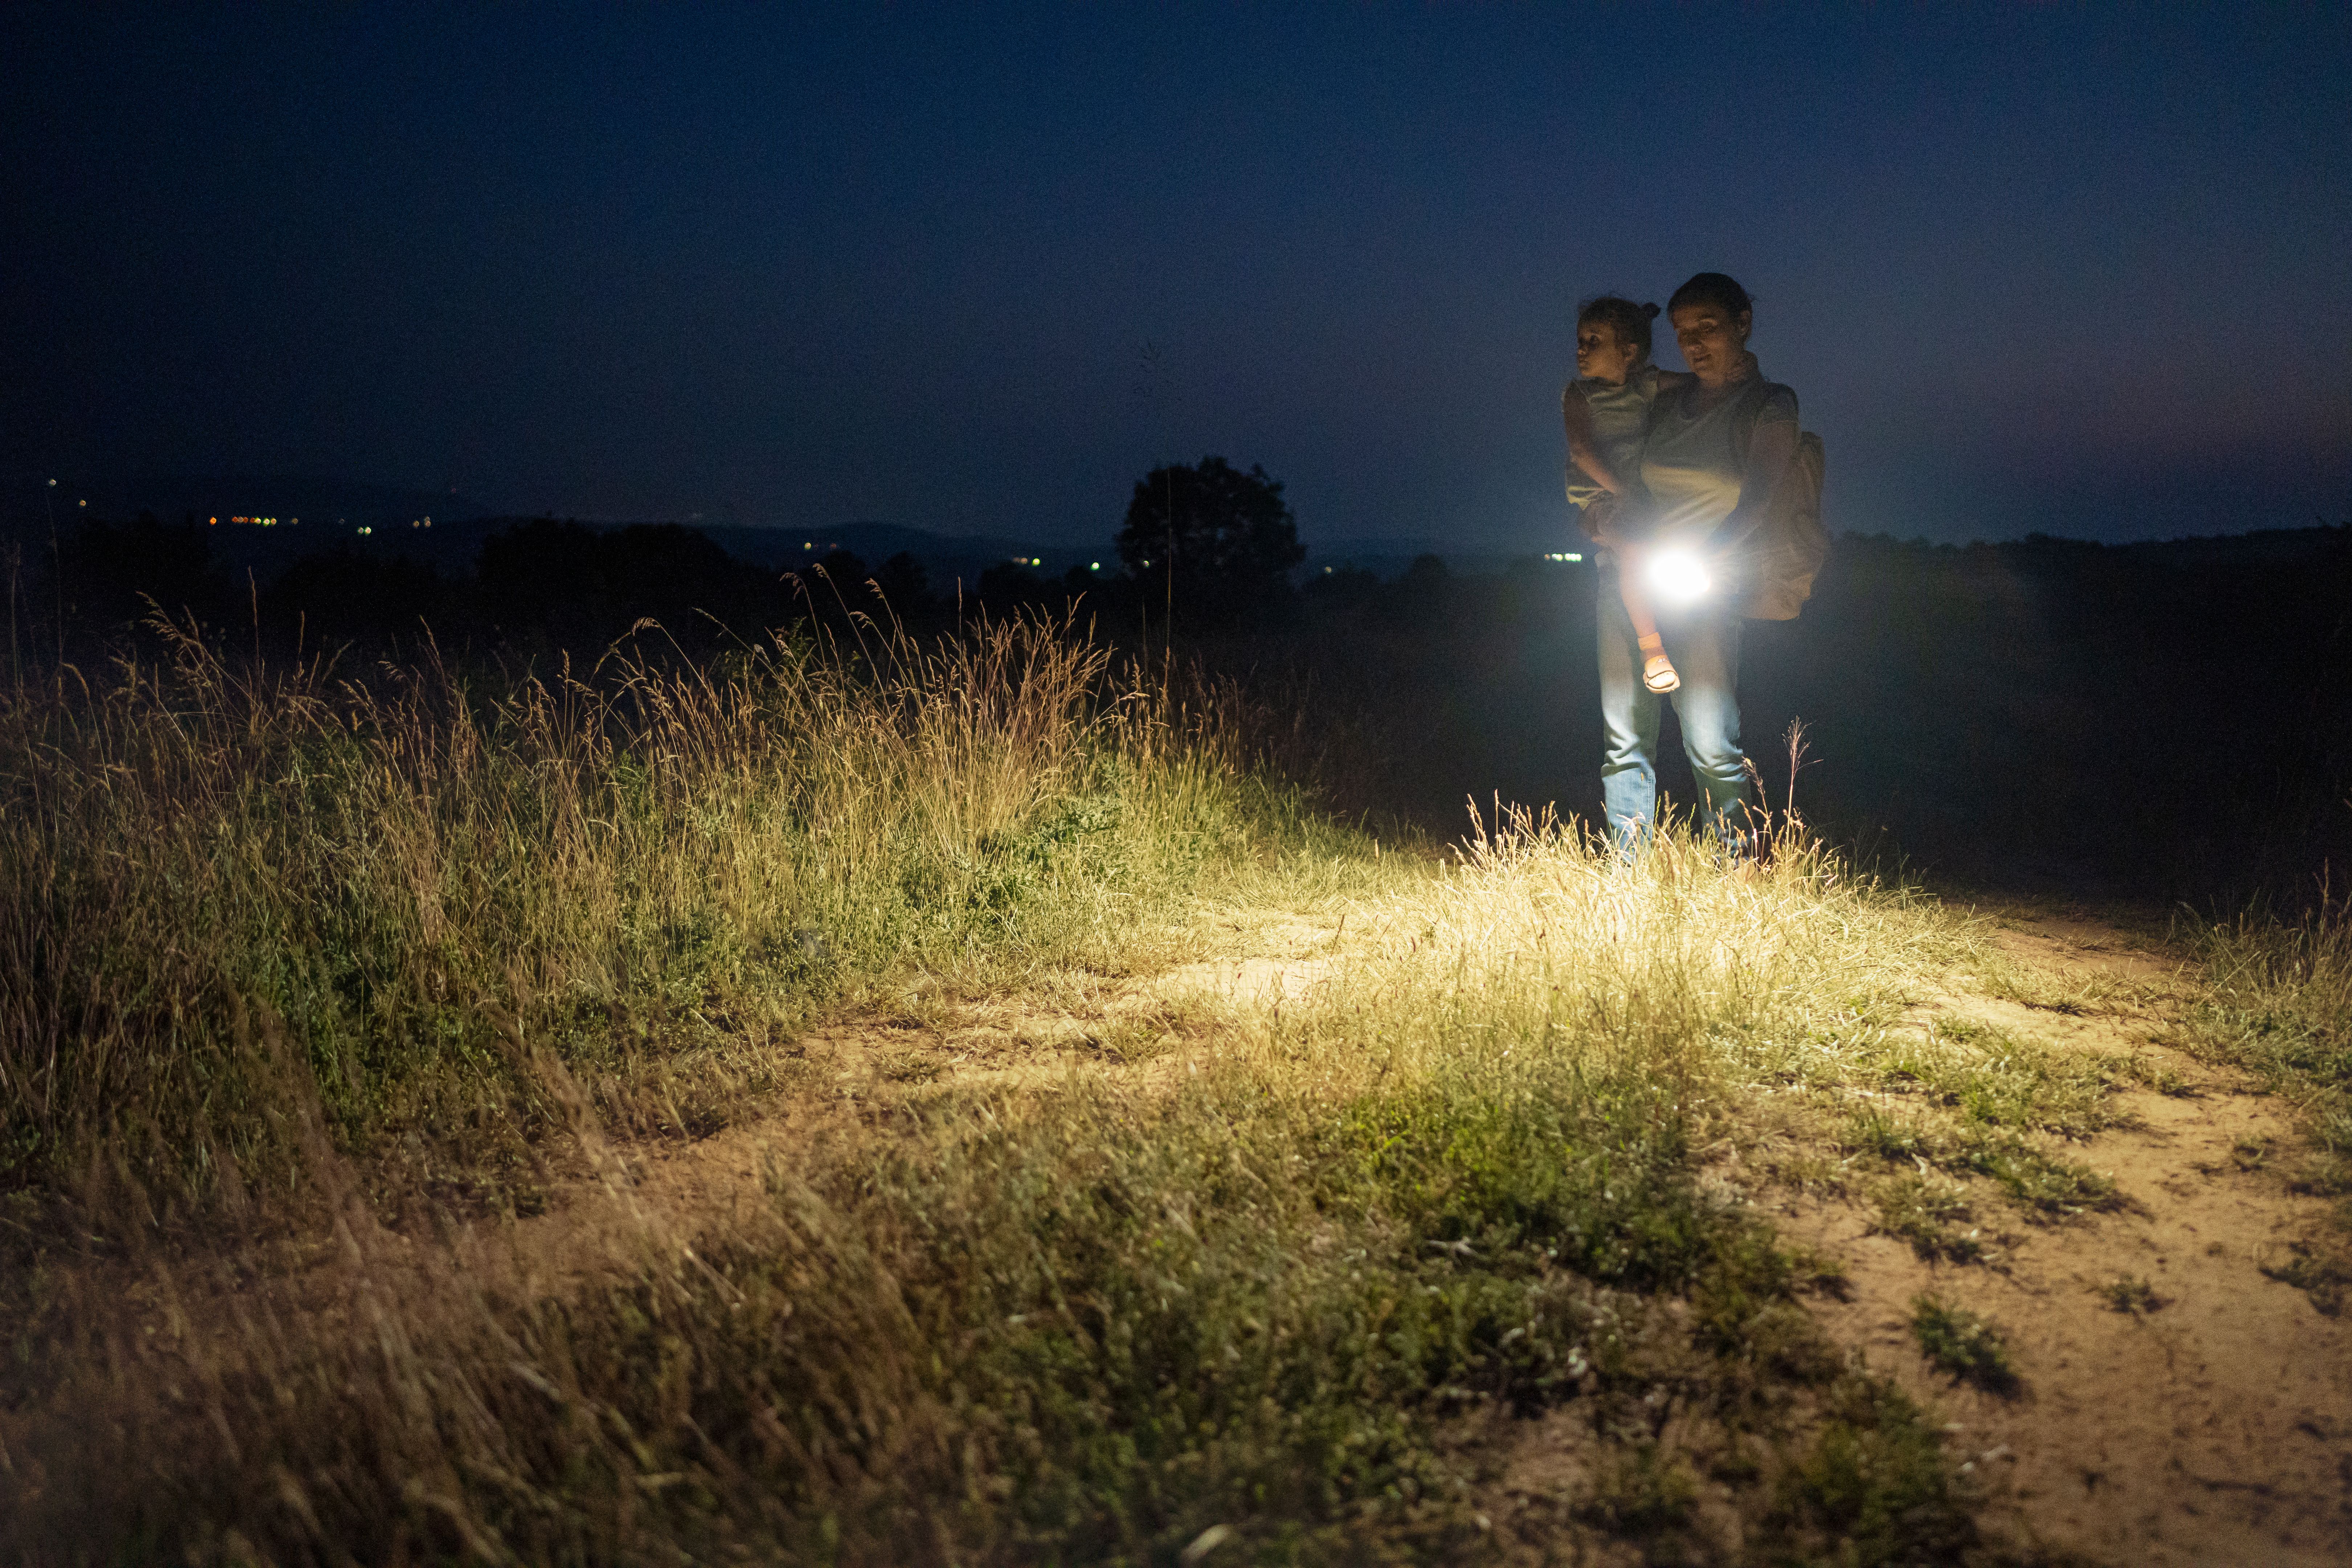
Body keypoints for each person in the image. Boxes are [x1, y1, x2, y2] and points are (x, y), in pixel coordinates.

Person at [1596, 271, 1799, 853]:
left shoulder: (1770, 403)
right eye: (1683, 333)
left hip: (1707, 585)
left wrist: (1700, 561)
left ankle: (1738, 865)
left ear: (1744, 325)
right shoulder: (1667, 401)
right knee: (1626, 738)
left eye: (1708, 328)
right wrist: (1599, 517)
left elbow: (1759, 500)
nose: (1694, 343)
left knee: (1711, 739)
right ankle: (1625, 876)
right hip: (1629, 580)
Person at [1561, 297, 1690, 693]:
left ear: (1628, 351)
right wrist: (1625, 492)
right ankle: (1654, 653)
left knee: (1651, 550)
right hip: (1603, 499)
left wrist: (1738, 376)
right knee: (1633, 552)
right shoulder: (1580, 395)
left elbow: (1700, 384)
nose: (1581, 350)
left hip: (1636, 499)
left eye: (1594, 341)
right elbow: (1582, 452)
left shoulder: (1644, 386)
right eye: (1581, 340)